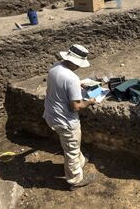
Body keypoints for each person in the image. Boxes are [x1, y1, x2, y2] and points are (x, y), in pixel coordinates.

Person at [43, 44, 97, 190]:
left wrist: (78, 85)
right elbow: (76, 106)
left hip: (51, 114)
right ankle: (75, 180)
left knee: (70, 144)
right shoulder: (71, 78)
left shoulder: (55, 67)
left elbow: (61, 84)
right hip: (65, 120)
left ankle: (80, 161)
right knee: (71, 149)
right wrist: (90, 101)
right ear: (76, 62)